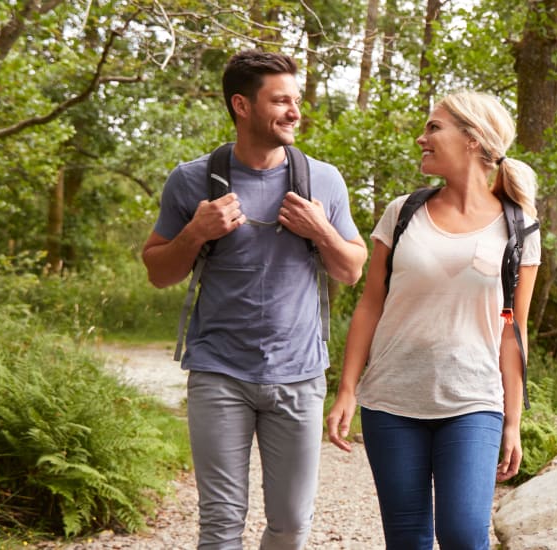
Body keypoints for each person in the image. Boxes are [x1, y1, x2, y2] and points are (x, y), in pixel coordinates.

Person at [141, 50, 367, 550]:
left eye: (296, 100)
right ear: (241, 105)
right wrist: (196, 232)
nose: (294, 111)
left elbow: (351, 269)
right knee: (220, 526)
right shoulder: (191, 179)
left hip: (300, 375)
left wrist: (321, 229)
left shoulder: (322, 180)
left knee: (289, 525)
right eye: (280, 100)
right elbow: (159, 271)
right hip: (220, 372)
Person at [326, 90, 541, 549]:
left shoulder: (519, 228)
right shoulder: (403, 212)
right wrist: (347, 389)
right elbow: (370, 304)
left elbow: (513, 329)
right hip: (391, 400)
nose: (421, 137)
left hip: (473, 401)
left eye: (433, 128)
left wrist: (513, 420)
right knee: (407, 540)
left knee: (463, 534)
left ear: (472, 139)